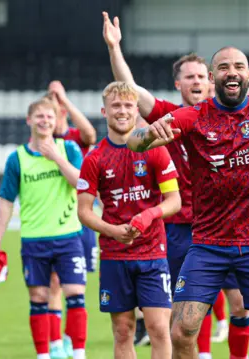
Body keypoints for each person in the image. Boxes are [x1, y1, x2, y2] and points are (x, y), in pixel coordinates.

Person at [103, 11, 249, 356]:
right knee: (181, 320)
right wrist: (115, 49)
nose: (197, 81)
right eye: (191, 76)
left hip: (238, 229)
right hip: (184, 226)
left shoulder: (242, 107)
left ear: (210, 80)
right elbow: (134, 96)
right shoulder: (172, 115)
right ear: (180, 84)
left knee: (243, 307)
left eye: (201, 75)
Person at [76, 81, 181, 358]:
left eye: (127, 106)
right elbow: (84, 211)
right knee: (123, 330)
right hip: (114, 254)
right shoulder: (94, 158)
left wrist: (149, 214)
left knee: (159, 328)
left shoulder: (155, 149)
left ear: (137, 110)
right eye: (115, 106)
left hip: (152, 252)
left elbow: (174, 201)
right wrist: (112, 230)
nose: (122, 111)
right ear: (104, 111)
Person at [0, 98, 88, 359]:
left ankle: (78, 353)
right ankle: (44, 355)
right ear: (29, 120)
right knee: (39, 298)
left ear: (56, 121)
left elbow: (82, 183)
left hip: (68, 236)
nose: (45, 121)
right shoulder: (17, 158)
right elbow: (6, 203)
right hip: (34, 239)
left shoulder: (68, 149)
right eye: (39, 117)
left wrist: (56, 157)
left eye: (49, 117)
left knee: (75, 294)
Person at [45, 80, 98, 359]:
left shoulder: (76, 138)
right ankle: (56, 345)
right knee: (54, 282)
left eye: (56, 112)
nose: (51, 118)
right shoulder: (42, 144)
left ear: (63, 113)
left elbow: (91, 134)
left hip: (82, 222)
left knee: (77, 287)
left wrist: (65, 99)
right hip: (55, 224)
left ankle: (72, 341)